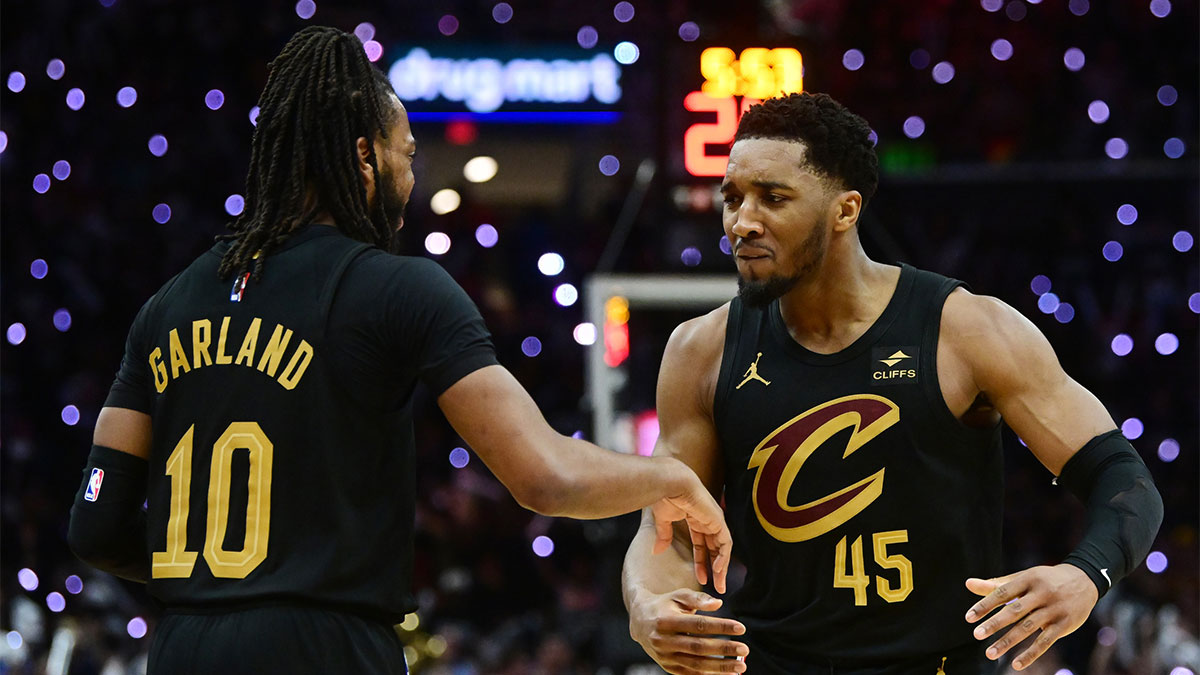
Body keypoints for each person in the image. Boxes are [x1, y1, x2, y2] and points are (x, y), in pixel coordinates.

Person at [66, 26, 731, 675]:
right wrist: (666, 476)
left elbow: (95, 525)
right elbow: (543, 474)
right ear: (364, 158)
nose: (412, 180)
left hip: (184, 642)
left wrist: (211, 589)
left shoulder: (167, 305)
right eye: (408, 154)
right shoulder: (398, 287)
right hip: (325, 643)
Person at [621, 92, 1164, 675]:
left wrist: (1085, 573)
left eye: (773, 198)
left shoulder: (967, 328)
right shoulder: (699, 350)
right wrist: (646, 605)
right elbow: (668, 530)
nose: (742, 222)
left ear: (846, 210)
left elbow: (1122, 477)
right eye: (734, 199)